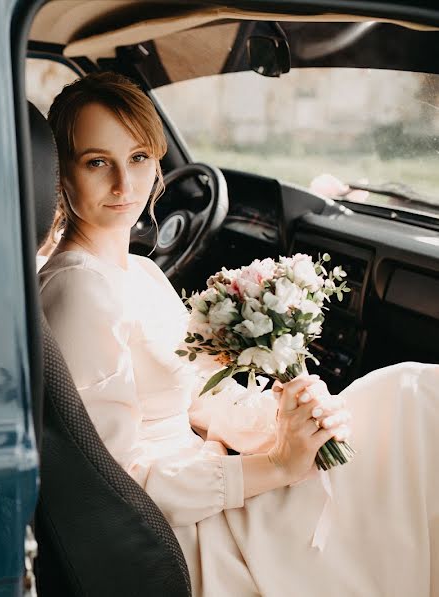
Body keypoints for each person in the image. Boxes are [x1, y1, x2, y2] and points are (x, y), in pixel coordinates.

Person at [37, 72, 439, 597]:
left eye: (138, 158)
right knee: (416, 406)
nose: (124, 185)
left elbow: (194, 397)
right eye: (97, 162)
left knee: (409, 400)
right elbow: (117, 493)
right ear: (60, 173)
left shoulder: (139, 272)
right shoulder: (80, 293)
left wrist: (288, 417)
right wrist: (273, 467)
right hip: (192, 533)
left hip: (215, 478)